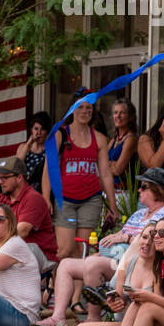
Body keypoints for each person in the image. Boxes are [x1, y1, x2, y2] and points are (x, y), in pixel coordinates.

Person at [36, 167, 164, 326]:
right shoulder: (140, 214)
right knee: (66, 264)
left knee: (93, 265)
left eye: (144, 186)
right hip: (117, 260)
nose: (139, 189)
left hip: (139, 266)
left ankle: (93, 319)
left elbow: (155, 244)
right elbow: (119, 237)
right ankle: (58, 318)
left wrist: (125, 238)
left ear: (157, 190)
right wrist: (101, 252)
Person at [16, 222, 160, 326]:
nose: (147, 243)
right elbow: (119, 300)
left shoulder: (161, 270)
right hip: (126, 323)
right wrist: (114, 304)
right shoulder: (129, 263)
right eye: (144, 237)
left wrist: (126, 323)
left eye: (152, 239)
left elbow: (155, 309)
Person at [44, 91, 119, 266]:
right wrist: (46, 198)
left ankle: (77, 294)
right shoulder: (60, 135)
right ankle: (55, 289)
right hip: (66, 200)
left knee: (82, 251)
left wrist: (113, 206)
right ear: (72, 110)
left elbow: (105, 174)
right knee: (64, 250)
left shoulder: (99, 139)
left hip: (90, 199)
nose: (85, 111)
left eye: (89, 108)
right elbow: (49, 169)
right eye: (80, 107)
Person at [0, 157, 56, 264]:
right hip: (11, 251)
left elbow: (21, 232)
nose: (0, 182)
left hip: (38, 255)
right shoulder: (0, 198)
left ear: (19, 178)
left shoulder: (33, 198)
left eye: (4, 178)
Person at [106, 99, 139, 188]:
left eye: (122, 113)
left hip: (124, 193)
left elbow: (118, 170)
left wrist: (109, 164)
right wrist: (112, 164)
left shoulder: (130, 139)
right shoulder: (113, 140)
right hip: (109, 190)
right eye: (115, 113)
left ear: (130, 116)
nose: (118, 116)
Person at [17, 112, 52, 191]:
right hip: (24, 188)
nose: (38, 133)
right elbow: (16, 165)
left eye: (42, 129)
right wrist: (29, 142)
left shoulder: (50, 149)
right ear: (31, 130)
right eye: (36, 129)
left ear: (47, 132)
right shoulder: (23, 147)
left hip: (42, 188)